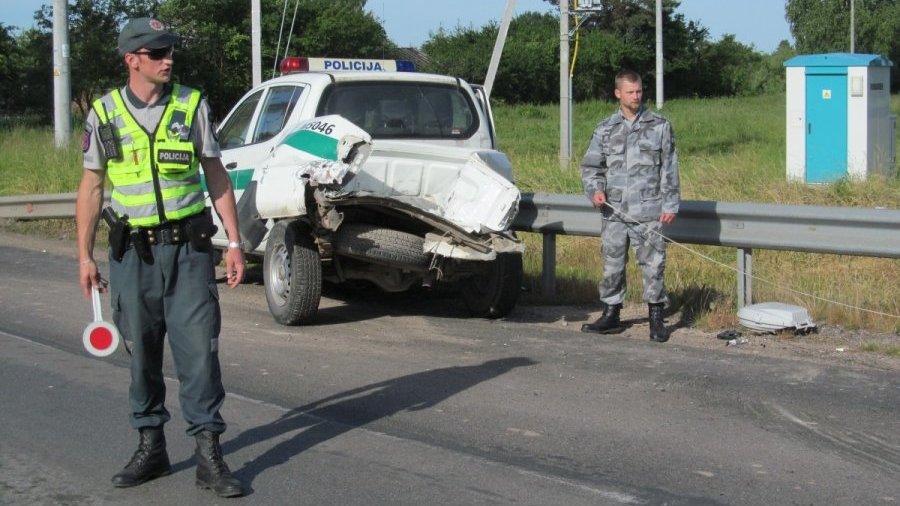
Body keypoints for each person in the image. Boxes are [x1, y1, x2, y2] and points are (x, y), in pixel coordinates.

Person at [75, 17, 246, 497]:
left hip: (188, 252)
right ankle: (151, 446)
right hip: (133, 255)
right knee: (141, 353)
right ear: (132, 60)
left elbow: (216, 175)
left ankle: (209, 454)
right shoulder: (104, 114)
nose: (168, 58)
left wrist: (233, 242)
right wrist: (84, 257)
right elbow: (91, 186)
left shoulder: (192, 106)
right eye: (157, 52)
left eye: (170, 49)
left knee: (199, 353)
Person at [579, 70, 680, 343]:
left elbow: (669, 168)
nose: (636, 96)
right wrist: (595, 191)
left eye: (639, 91)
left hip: (648, 210)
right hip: (614, 212)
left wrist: (670, 203)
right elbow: (591, 167)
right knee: (612, 265)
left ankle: (656, 318)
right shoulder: (606, 128)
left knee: (653, 265)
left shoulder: (659, 126)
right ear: (618, 94)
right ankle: (611, 314)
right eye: (631, 92)